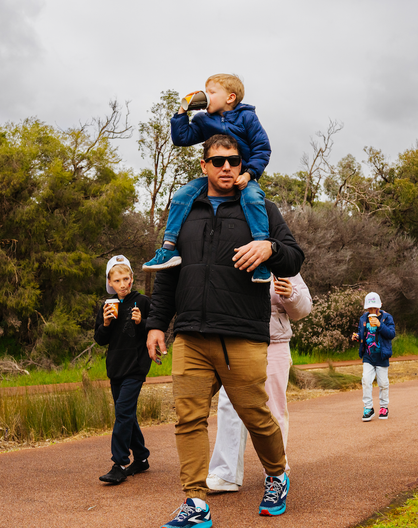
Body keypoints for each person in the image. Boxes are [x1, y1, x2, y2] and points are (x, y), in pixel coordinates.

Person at [146, 134, 304, 527]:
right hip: (191, 335)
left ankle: (276, 474)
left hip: (243, 333)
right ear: (204, 166)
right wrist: (155, 325)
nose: (227, 168)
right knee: (188, 419)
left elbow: (295, 255)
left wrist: (270, 248)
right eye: (218, 162)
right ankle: (196, 503)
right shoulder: (184, 210)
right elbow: (167, 273)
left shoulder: (260, 207)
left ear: (241, 164)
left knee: (257, 415)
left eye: (233, 161)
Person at [143, 74, 273, 284]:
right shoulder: (203, 119)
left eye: (212, 92)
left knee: (254, 199)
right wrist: (183, 110)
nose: (206, 96)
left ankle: (261, 259)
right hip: (215, 176)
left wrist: (249, 174)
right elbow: (181, 138)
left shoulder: (247, 117)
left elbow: (262, 148)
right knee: (182, 194)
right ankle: (168, 248)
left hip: (244, 176)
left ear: (230, 98)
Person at [207, 274, 312, 492]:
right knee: (230, 405)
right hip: (235, 341)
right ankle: (226, 473)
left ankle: (275, 472)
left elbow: (303, 309)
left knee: (274, 408)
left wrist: (290, 294)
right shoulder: (232, 252)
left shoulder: (282, 262)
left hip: (274, 342)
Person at [94, 256, 152, 485]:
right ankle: (142, 458)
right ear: (110, 282)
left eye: (126, 278)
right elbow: (99, 339)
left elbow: (157, 328)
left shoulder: (143, 301)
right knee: (126, 414)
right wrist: (106, 324)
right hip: (115, 367)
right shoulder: (108, 305)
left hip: (135, 367)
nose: (123, 284)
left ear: (132, 278)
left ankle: (119, 464)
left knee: (123, 414)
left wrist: (142, 322)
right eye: (117, 280)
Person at [352, 292, 396, 421]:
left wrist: (379, 325)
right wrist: (357, 337)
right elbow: (363, 334)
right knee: (366, 380)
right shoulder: (363, 319)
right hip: (368, 356)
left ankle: (384, 407)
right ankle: (368, 408)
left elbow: (391, 334)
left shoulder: (387, 318)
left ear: (380, 305)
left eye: (374, 308)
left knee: (383, 383)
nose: (372, 311)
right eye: (369, 308)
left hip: (382, 356)